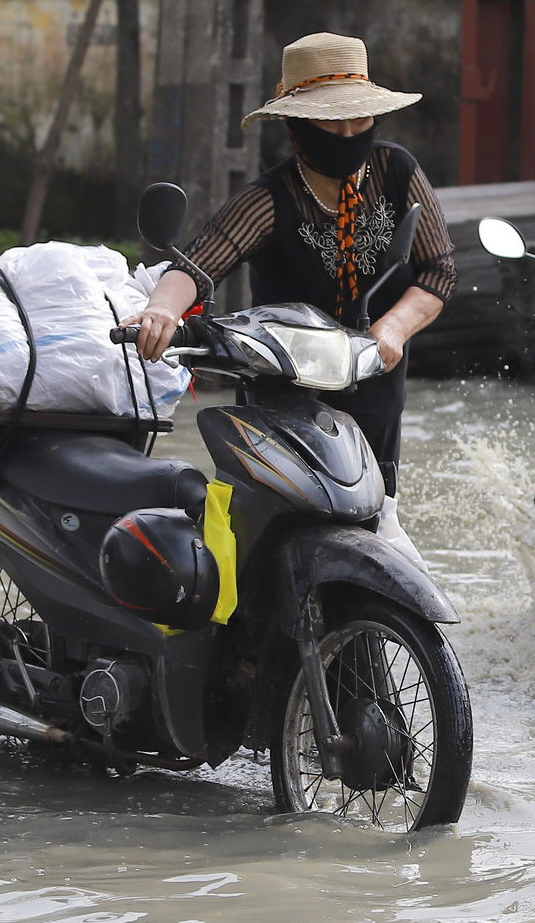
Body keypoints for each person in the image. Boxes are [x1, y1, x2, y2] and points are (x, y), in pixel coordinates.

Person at [123, 32, 454, 562]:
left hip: (373, 396)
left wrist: (390, 330)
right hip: (286, 406)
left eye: (360, 119)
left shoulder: (397, 172)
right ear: (297, 125)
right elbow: (197, 264)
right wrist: (161, 308)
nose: (348, 133)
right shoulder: (270, 198)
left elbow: (438, 271)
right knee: (269, 553)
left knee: (379, 539)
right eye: (331, 121)